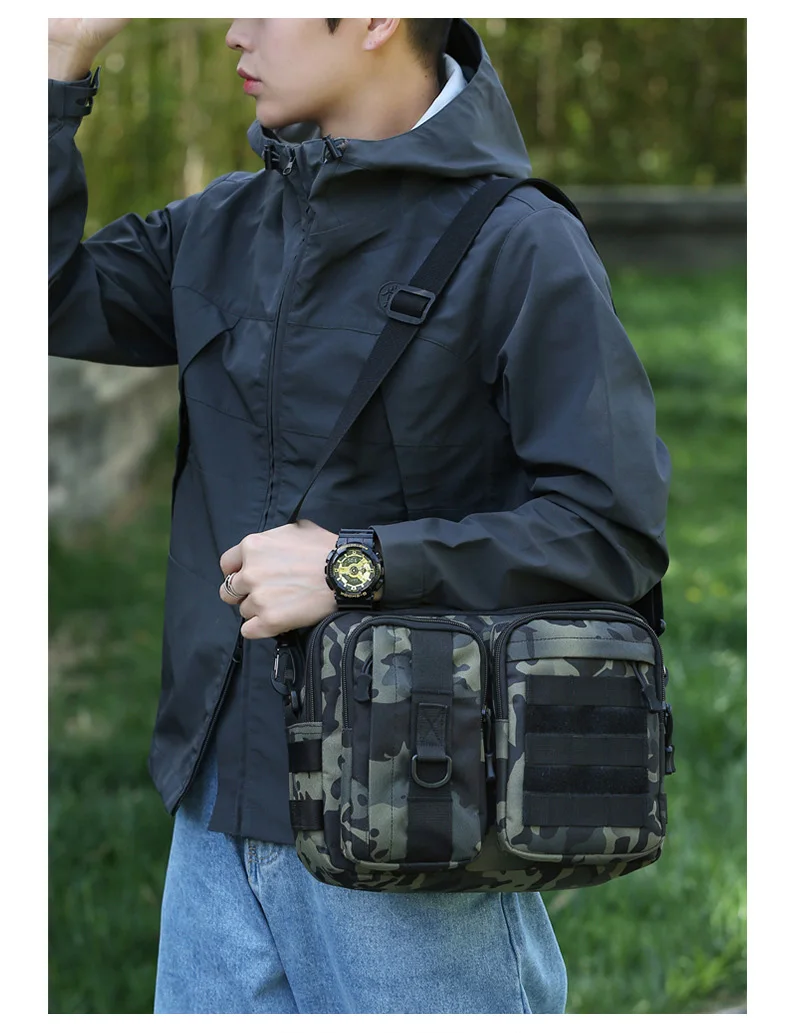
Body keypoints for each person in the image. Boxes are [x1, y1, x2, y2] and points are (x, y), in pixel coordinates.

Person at [48, 16, 670, 1015]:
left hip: (415, 812)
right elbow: (43, 291)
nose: (233, 32)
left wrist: (355, 565)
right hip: (214, 807)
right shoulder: (222, 227)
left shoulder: (519, 243)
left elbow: (610, 530)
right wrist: (55, 69)